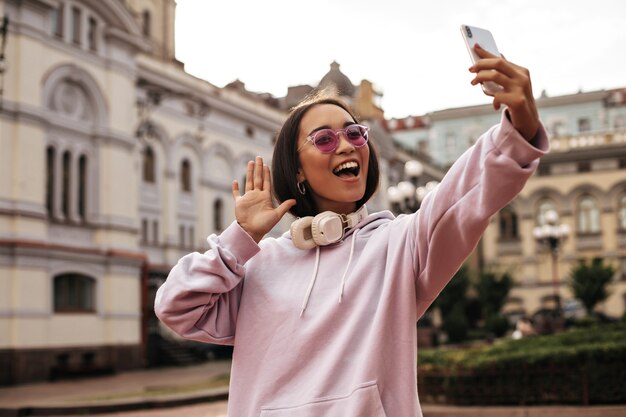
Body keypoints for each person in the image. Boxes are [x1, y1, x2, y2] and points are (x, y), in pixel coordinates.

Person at [155, 44, 549, 416]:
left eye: (354, 133)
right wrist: (240, 240)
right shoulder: (258, 264)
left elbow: (465, 196)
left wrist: (518, 127)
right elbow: (177, 307)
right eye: (323, 139)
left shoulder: (401, 245)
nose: (345, 145)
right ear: (297, 172)